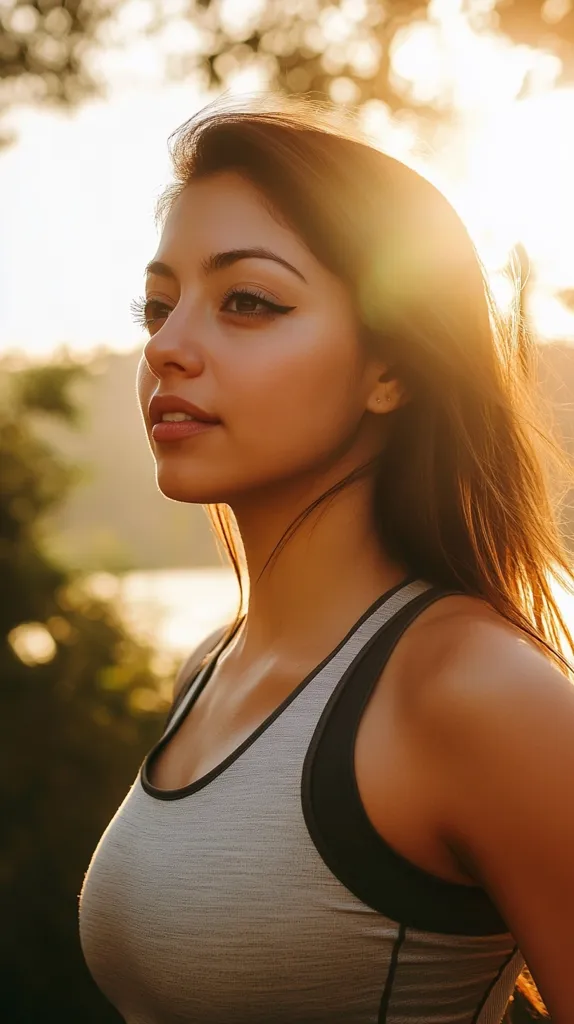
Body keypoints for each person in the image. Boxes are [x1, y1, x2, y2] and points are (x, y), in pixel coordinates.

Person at [78, 92, 574, 1023]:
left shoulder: (476, 693)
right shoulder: (210, 667)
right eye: (158, 306)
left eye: (248, 301)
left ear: (392, 370)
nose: (168, 347)